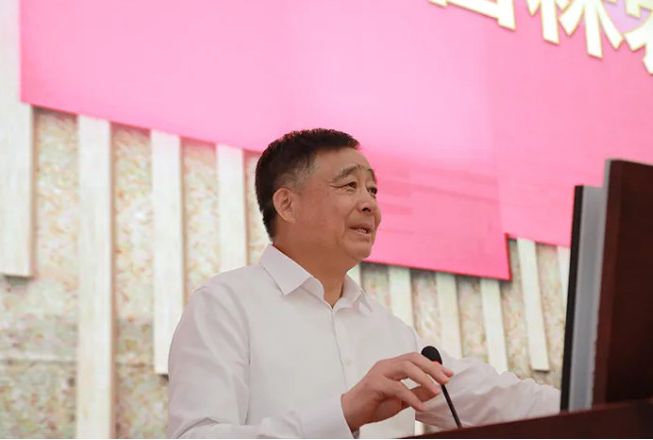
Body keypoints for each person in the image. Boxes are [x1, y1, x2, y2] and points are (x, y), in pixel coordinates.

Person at [167, 129, 560, 439]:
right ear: (287, 204)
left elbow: (491, 397)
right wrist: (343, 413)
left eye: (372, 189)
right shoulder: (225, 305)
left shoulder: (387, 330)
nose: (370, 203)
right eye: (349, 186)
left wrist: (588, 399)